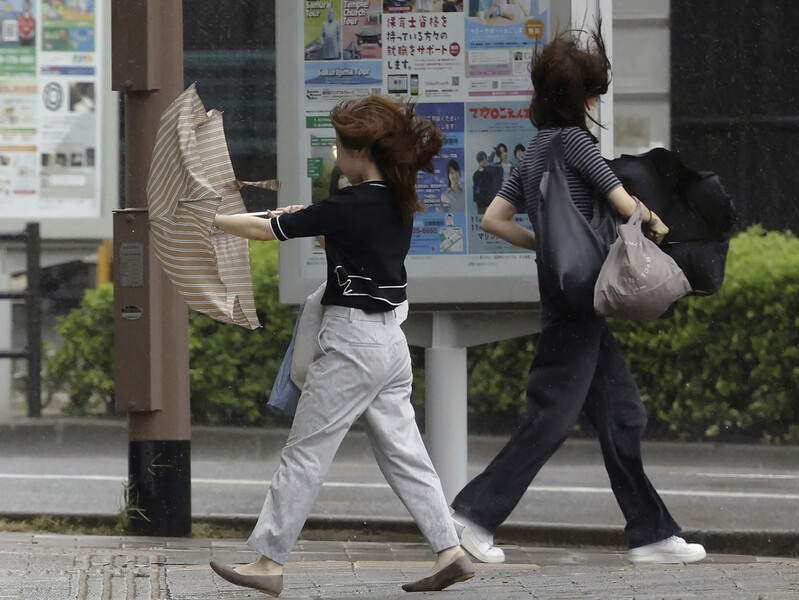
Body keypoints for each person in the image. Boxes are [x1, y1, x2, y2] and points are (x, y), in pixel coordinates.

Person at [450, 21, 707, 566]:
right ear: (584, 98)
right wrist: (658, 228)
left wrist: (542, 243)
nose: (596, 100)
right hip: (582, 298)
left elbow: (494, 219)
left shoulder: (533, 151)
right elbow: (624, 204)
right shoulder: (576, 144)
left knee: (622, 414)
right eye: (594, 91)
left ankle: (651, 534)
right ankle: (472, 516)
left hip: (567, 295)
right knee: (550, 415)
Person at [209, 95, 475, 596]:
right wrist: (311, 220)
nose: (334, 154)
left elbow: (267, 231)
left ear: (359, 154)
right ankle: (451, 550)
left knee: (305, 452)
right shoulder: (398, 199)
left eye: (338, 146)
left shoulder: (349, 205)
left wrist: (214, 221)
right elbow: (343, 239)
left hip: (352, 343)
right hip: (390, 342)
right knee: (406, 454)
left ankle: (268, 563)